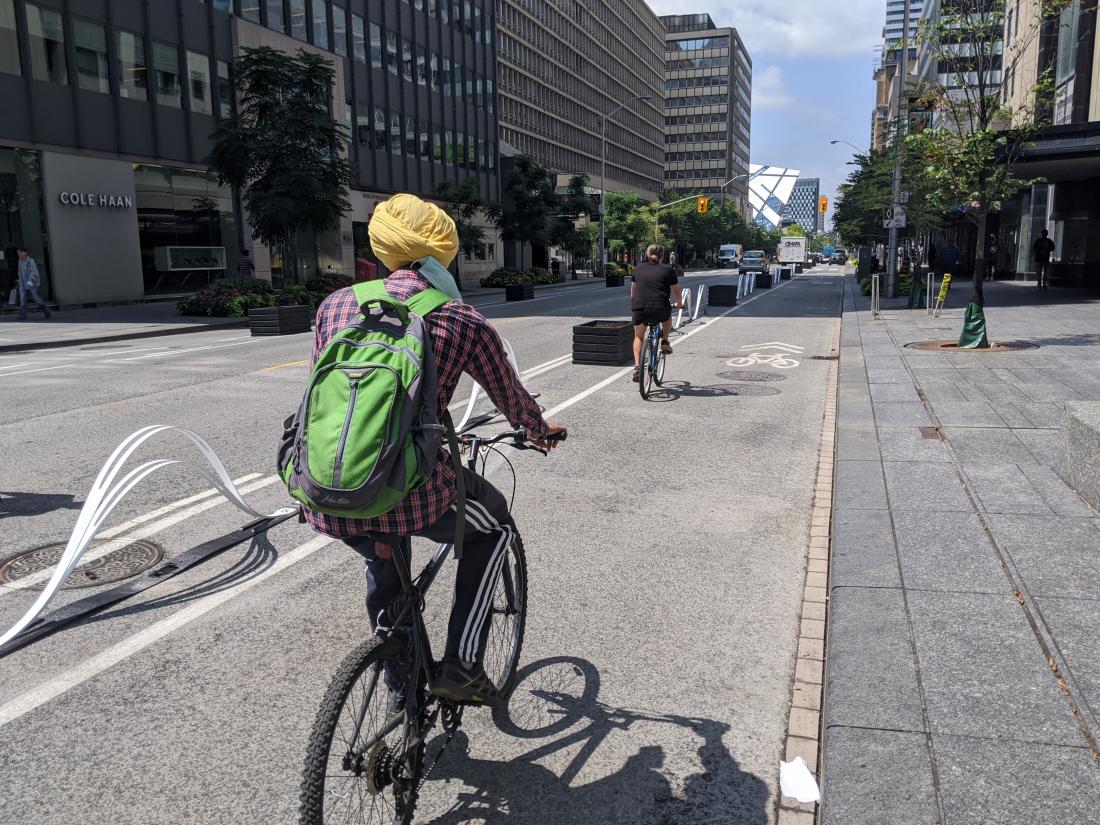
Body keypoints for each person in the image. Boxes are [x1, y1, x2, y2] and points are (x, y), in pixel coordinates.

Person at [303, 194, 567, 707]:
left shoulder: (334, 306)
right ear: (443, 253)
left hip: (331, 488)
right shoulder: (459, 319)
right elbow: (512, 400)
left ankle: (404, 695)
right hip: (416, 487)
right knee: (494, 528)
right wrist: (539, 430)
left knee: (384, 564)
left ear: (381, 248)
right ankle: (463, 666)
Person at [630, 244, 683, 382]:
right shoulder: (668, 269)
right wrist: (680, 303)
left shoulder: (639, 267)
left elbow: (633, 290)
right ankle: (665, 341)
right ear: (662, 256)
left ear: (647, 254)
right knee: (667, 317)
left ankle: (637, 367)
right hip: (660, 308)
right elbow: (676, 290)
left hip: (639, 308)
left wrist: (635, 303)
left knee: (638, 337)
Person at [16, 247, 50, 321]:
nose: (19, 254)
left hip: (31, 283)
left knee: (37, 300)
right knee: (22, 301)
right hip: (23, 284)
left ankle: (47, 312)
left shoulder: (30, 261)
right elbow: (19, 272)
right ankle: (23, 316)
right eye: (18, 253)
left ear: (25, 252)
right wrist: (19, 280)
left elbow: (34, 272)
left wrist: (30, 281)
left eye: (20, 252)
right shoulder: (19, 261)